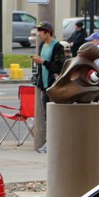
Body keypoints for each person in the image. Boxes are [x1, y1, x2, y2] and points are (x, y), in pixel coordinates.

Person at [31, 21, 66, 154]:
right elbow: (41, 64)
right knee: (47, 116)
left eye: (41, 31)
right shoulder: (41, 45)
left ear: (48, 32)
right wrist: (38, 63)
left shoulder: (57, 47)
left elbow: (59, 66)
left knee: (53, 116)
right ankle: (49, 142)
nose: (38, 34)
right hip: (43, 84)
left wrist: (43, 62)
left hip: (53, 85)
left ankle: (53, 143)